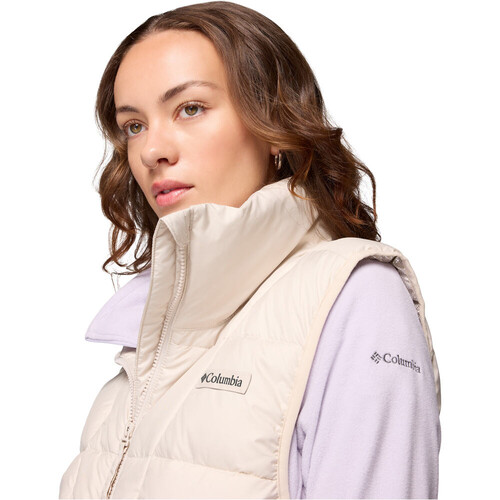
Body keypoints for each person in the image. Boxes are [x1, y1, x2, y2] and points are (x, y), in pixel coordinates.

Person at [59, 1, 441, 498]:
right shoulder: (142, 342)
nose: (152, 150)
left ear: (273, 126)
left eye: (190, 108)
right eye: (134, 125)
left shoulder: (357, 298)